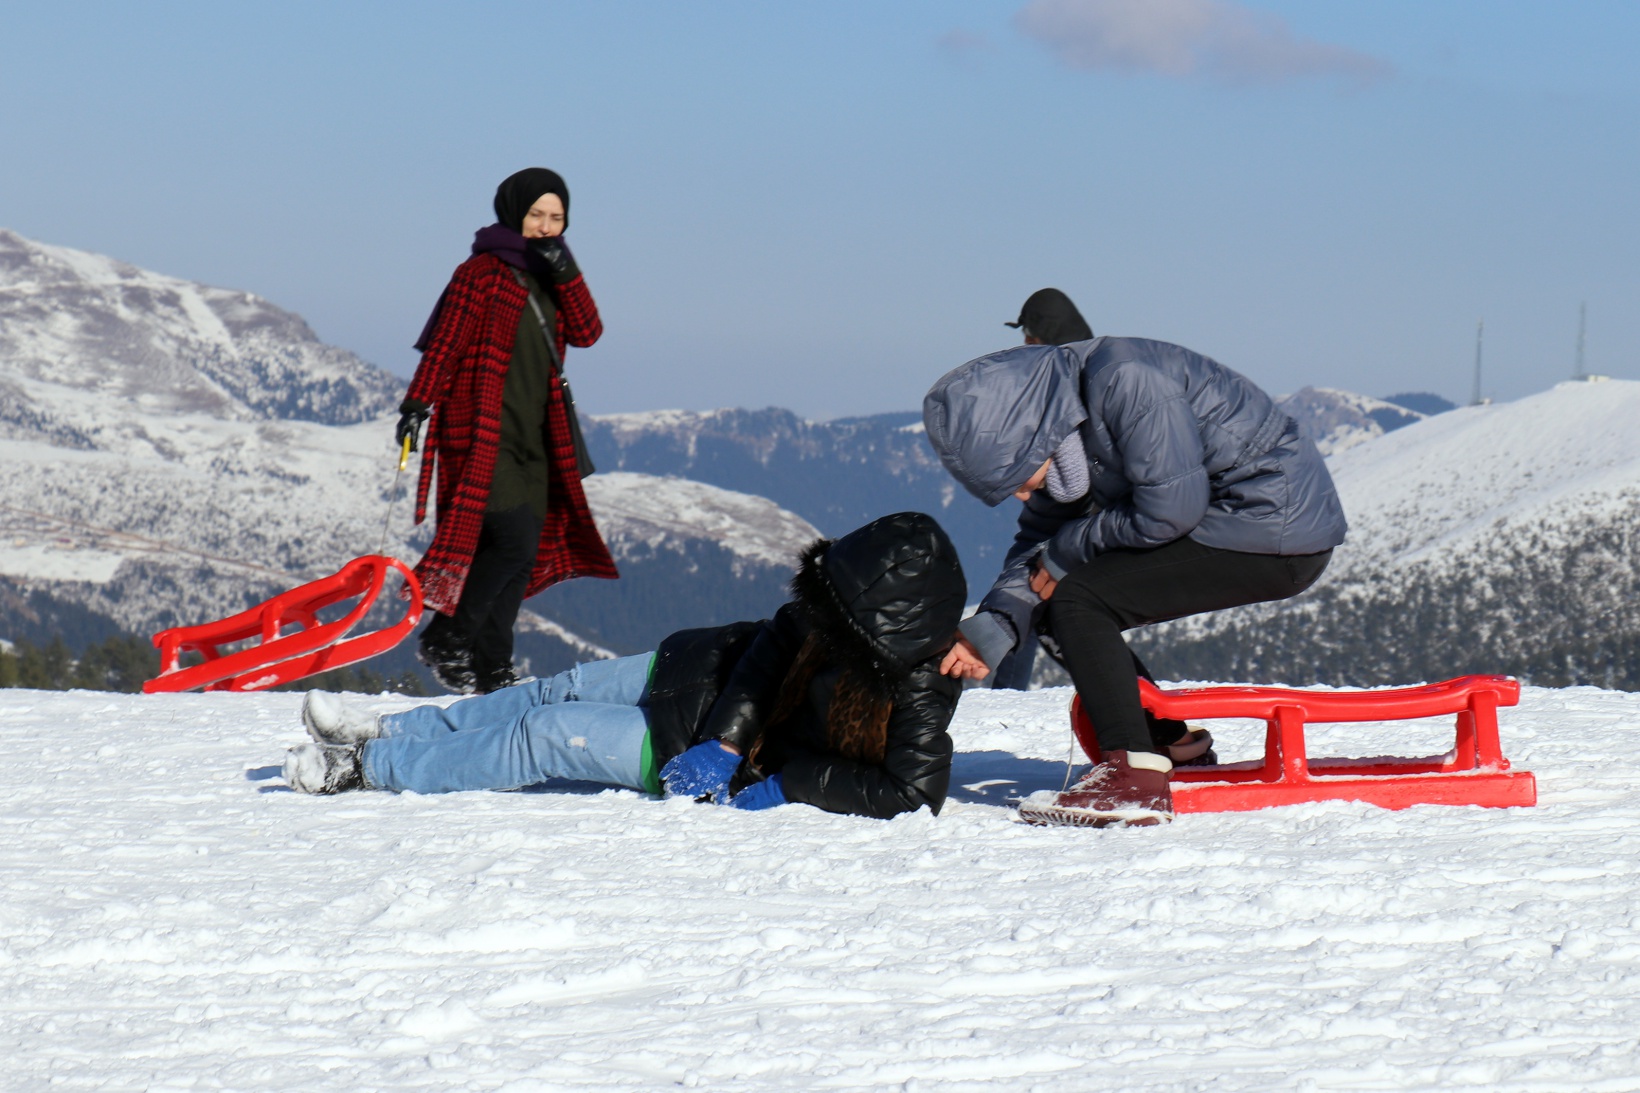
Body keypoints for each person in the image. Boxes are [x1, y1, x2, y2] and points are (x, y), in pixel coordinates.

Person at [282, 512, 967, 820]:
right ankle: (391, 731)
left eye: (840, 616)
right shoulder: (826, 615)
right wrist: (726, 737)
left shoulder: (918, 692)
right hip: (695, 672)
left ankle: (365, 770)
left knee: (543, 735)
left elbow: (913, 792)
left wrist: (788, 780)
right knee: (547, 692)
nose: (822, 618)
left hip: (683, 748)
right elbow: (772, 647)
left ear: (884, 633)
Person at [923, 337, 1347, 826]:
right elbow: (1041, 545)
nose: (1020, 494)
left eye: (1016, 476)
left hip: (1274, 525)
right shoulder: (1064, 438)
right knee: (1054, 592)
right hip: (1232, 522)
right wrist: (996, 624)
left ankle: (1131, 777)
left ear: (1030, 437)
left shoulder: (1126, 380)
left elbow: (1172, 509)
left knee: (1077, 598)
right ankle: (1168, 746)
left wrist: (1067, 551)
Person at [397, 167, 617, 695]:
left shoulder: (554, 275)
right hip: (480, 432)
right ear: (513, 213)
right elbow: (444, 346)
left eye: (556, 218)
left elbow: (588, 332)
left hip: (537, 437)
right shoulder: (480, 274)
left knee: (522, 554)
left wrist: (566, 271)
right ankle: (448, 639)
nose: (545, 226)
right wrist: (416, 403)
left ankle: (493, 666)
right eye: (536, 215)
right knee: (513, 543)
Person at [989, 288, 1095, 690]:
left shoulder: (1057, 380)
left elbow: (1070, 466)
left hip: (1075, 517)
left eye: (1029, 337)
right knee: (1043, 606)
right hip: (1080, 514)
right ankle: (1141, 704)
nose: (1024, 345)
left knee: (1040, 604)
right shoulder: (1089, 367)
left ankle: (1139, 704)